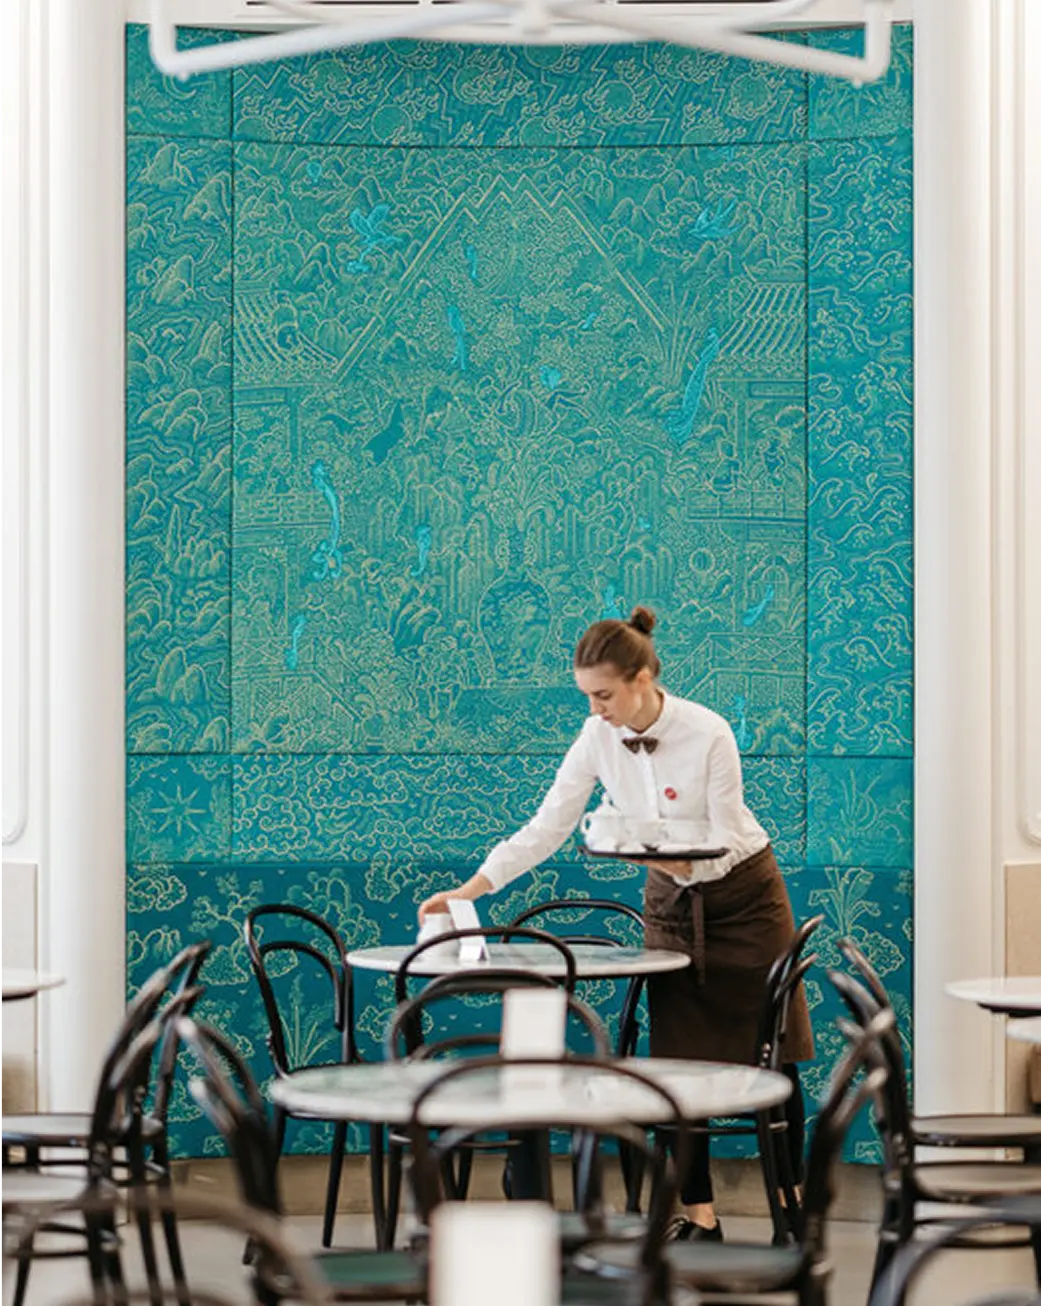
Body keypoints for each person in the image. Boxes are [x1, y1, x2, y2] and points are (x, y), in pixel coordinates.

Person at [418, 605, 814, 1242]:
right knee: (678, 1061)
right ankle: (699, 1214)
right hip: (673, 906)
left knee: (775, 1057)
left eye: (604, 695)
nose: (596, 709)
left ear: (642, 677)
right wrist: (471, 888)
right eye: (588, 697)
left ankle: (792, 1212)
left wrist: (663, 855)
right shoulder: (595, 737)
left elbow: (726, 832)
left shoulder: (709, 732)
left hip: (745, 898)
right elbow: (547, 827)